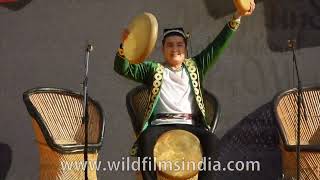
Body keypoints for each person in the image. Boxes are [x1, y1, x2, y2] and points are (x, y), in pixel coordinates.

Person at [114, 1, 255, 179]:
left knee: (212, 141)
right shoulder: (153, 69)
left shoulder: (195, 66)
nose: (175, 49)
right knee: (145, 140)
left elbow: (218, 46)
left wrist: (237, 17)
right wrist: (124, 46)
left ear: (186, 49)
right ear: (163, 49)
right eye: (170, 45)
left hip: (190, 126)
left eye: (179, 45)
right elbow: (123, 68)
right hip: (160, 126)